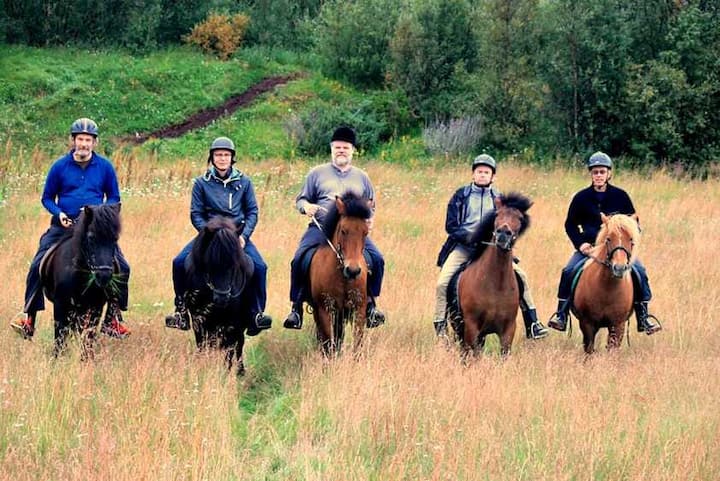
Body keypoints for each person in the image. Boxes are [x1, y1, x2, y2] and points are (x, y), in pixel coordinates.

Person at [10, 118, 131, 339]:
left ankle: (112, 319)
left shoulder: (105, 167)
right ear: (73, 140)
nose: (84, 144)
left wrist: (99, 211)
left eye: (88, 140)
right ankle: (29, 318)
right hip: (63, 227)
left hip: (94, 229)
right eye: (80, 139)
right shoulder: (59, 166)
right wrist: (59, 213)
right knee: (37, 265)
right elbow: (47, 198)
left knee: (122, 266)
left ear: (95, 142)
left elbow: (114, 197)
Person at [432, 154, 549, 340]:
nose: (482, 175)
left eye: (486, 172)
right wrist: (470, 238)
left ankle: (533, 323)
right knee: (442, 282)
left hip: (491, 249)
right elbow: (451, 226)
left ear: (493, 176)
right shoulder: (460, 195)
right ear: (473, 174)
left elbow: (511, 226)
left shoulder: (499, 200)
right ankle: (440, 325)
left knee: (521, 276)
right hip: (463, 247)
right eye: (479, 171)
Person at [165, 136, 272, 336]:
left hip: (236, 237)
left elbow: (252, 212)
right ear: (212, 158)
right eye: (218, 155)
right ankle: (181, 310)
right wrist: (207, 234)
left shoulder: (244, 182)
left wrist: (244, 236)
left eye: (226, 155)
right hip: (209, 237)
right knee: (179, 262)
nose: (222, 158)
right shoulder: (201, 183)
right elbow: (196, 214)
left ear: (232, 158)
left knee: (260, 267)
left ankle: (256, 313)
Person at [283, 126, 386, 330]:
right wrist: (306, 207)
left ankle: (371, 304)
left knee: (377, 259)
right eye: (337, 147)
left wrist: (370, 220)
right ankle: (296, 307)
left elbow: (370, 205)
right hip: (321, 228)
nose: (341, 151)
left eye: (345, 147)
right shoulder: (316, 173)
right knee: (299, 259)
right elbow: (301, 199)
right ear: (331, 148)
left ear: (353, 150)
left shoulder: (362, 177)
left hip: (352, 232)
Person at [547, 151, 661, 334]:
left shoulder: (621, 196)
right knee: (568, 270)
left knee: (640, 271)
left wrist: (627, 242)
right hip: (590, 248)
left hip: (617, 249)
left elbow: (634, 224)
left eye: (602, 172)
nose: (599, 175)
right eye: (595, 172)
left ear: (609, 173)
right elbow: (570, 225)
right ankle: (561, 314)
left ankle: (643, 316)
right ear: (591, 174)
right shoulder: (581, 198)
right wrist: (581, 244)